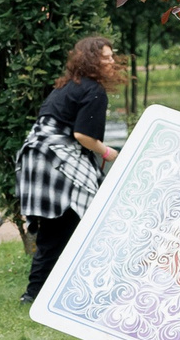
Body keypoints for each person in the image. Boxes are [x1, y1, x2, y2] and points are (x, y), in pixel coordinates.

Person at [18, 35, 124, 304]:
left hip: (37, 157)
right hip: (56, 160)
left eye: (112, 56)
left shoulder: (68, 85)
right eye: (106, 58)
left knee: (60, 228)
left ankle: (45, 291)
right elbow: (83, 136)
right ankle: (36, 295)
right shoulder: (94, 91)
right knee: (65, 227)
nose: (112, 62)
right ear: (91, 61)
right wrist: (111, 154)